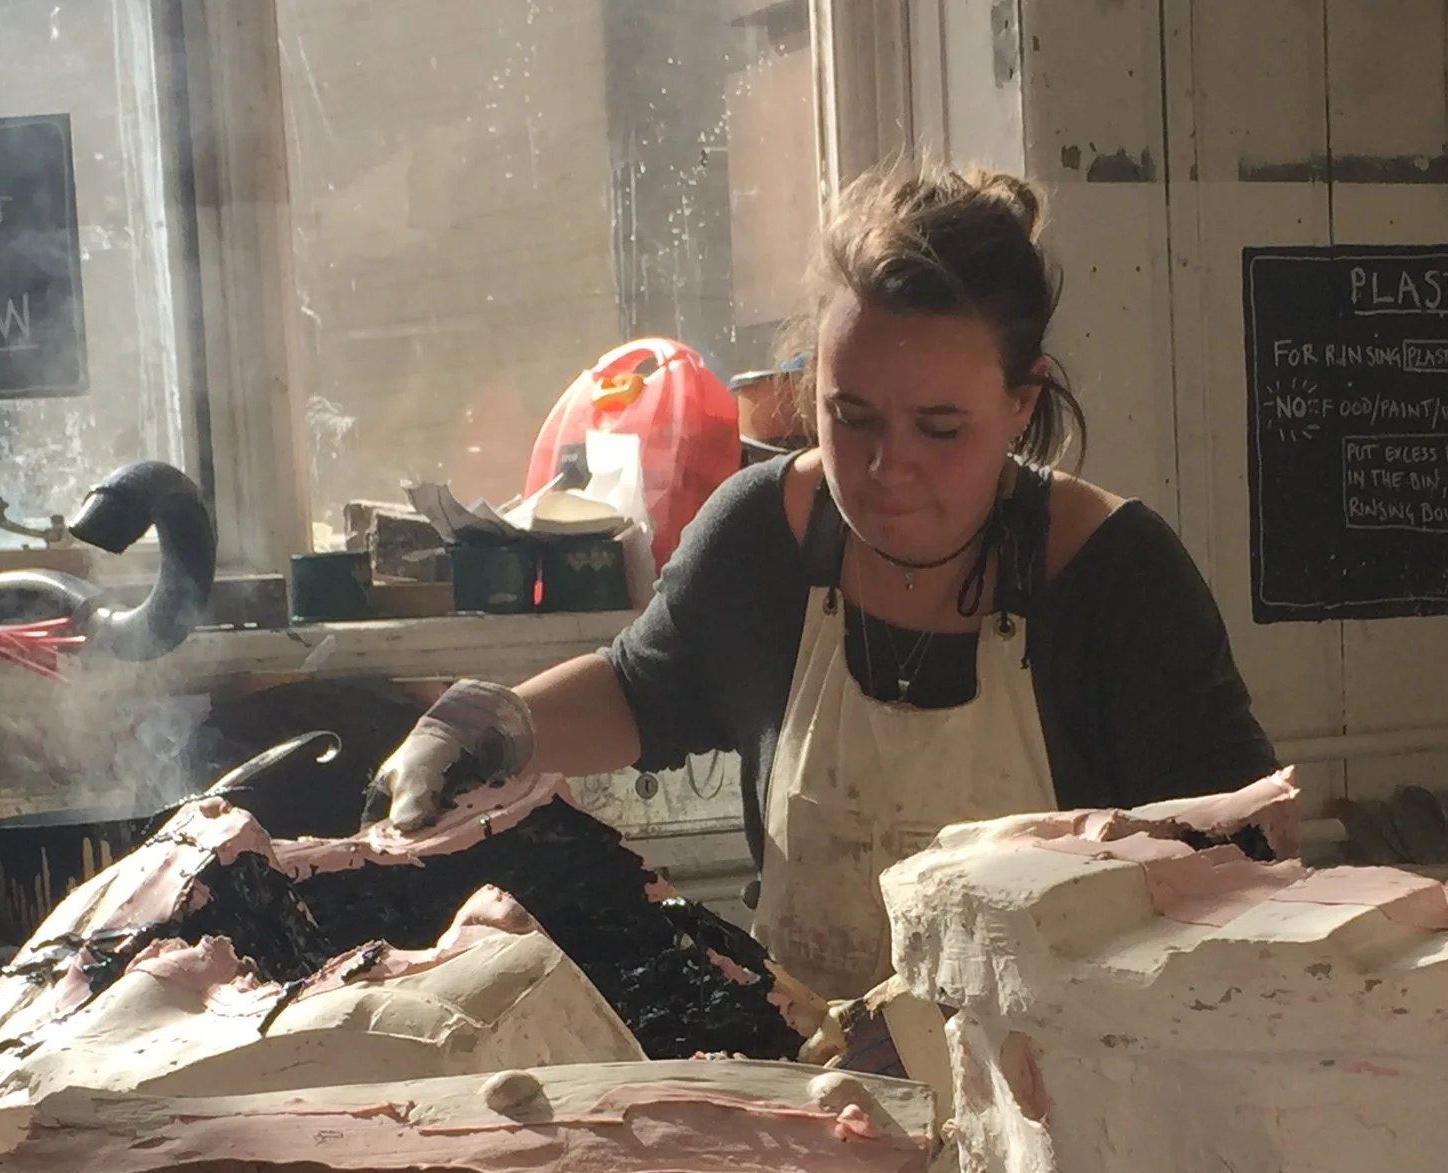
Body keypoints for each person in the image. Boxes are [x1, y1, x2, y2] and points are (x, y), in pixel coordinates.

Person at [369, 164, 1280, 1005]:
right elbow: (639, 690)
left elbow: (1246, 868)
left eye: (940, 428)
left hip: (1063, 1078)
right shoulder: (762, 539)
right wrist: (487, 725)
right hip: (814, 1077)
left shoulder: (1117, 578)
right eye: (852, 417)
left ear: (1021, 402)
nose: (887, 467)